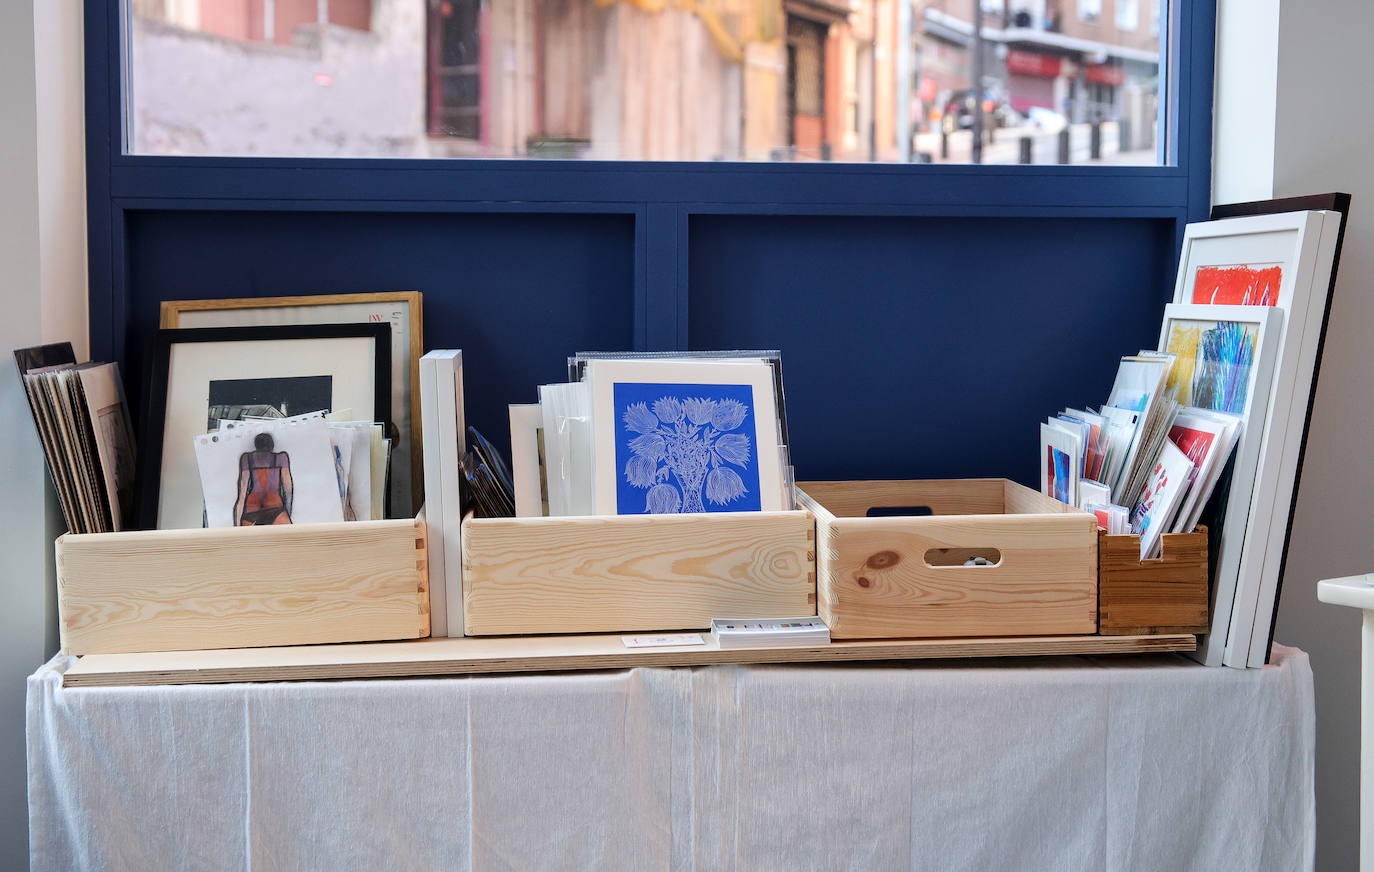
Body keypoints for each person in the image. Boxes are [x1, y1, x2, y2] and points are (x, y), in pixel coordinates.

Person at [233, 432, 294, 525]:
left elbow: (242, 495)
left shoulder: (246, 458)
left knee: (250, 539)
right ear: (272, 445)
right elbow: (288, 490)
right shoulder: (281, 458)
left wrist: (237, 525)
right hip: (275, 509)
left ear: (256, 445)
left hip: (252, 511)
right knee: (286, 536)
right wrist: (288, 513)